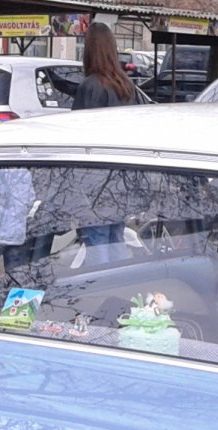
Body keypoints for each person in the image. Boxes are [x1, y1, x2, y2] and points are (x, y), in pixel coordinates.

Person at [70, 22, 137, 263]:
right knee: (115, 236)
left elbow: (76, 137)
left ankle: (99, 291)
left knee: (97, 240)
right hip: (122, 178)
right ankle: (120, 289)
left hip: (95, 181)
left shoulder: (90, 86)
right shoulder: (126, 86)